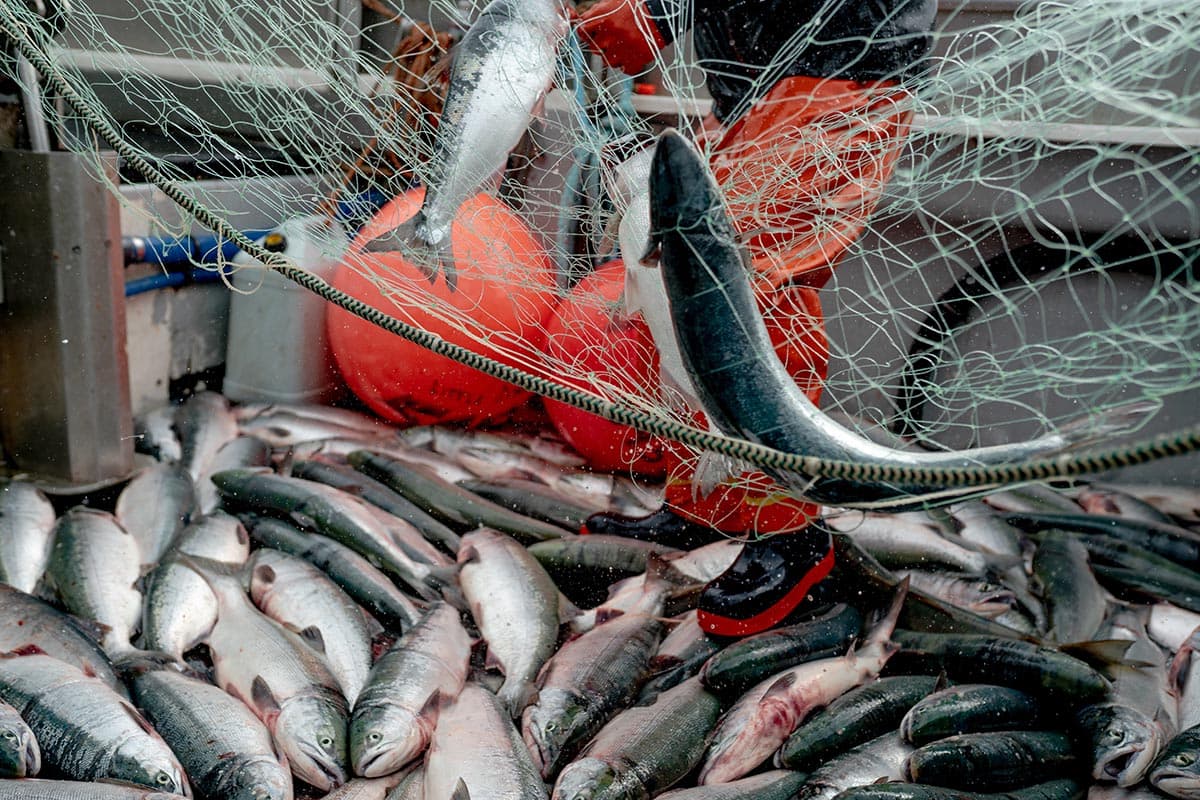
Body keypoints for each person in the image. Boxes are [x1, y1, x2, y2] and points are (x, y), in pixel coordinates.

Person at [575, 0, 937, 637]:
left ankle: (791, 537)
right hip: (752, 83)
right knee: (689, 290)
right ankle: (711, 504)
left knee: (750, 288)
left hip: (839, 61)